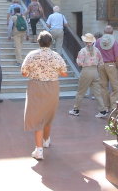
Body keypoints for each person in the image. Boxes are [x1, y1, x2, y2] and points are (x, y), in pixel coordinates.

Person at [21, 30, 67, 160]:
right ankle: (46, 140)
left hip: (36, 87)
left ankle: (39, 150)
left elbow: (24, 73)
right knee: (48, 115)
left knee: (37, 118)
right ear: (51, 42)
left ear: (38, 42)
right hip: (52, 87)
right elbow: (64, 73)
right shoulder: (56, 56)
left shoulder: (32, 55)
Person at [69, 33, 107, 118]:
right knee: (97, 92)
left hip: (86, 71)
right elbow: (101, 62)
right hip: (95, 71)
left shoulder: (83, 51)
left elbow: (79, 63)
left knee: (81, 91)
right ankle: (103, 110)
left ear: (85, 41)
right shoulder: (97, 50)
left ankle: (76, 109)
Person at [95, 25, 118, 112]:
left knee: (103, 86)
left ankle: (105, 106)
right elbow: (117, 57)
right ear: (112, 32)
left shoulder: (98, 41)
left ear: (104, 32)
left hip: (101, 65)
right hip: (111, 65)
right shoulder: (114, 42)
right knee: (115, 86)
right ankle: (114, 106)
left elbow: (95, 54)